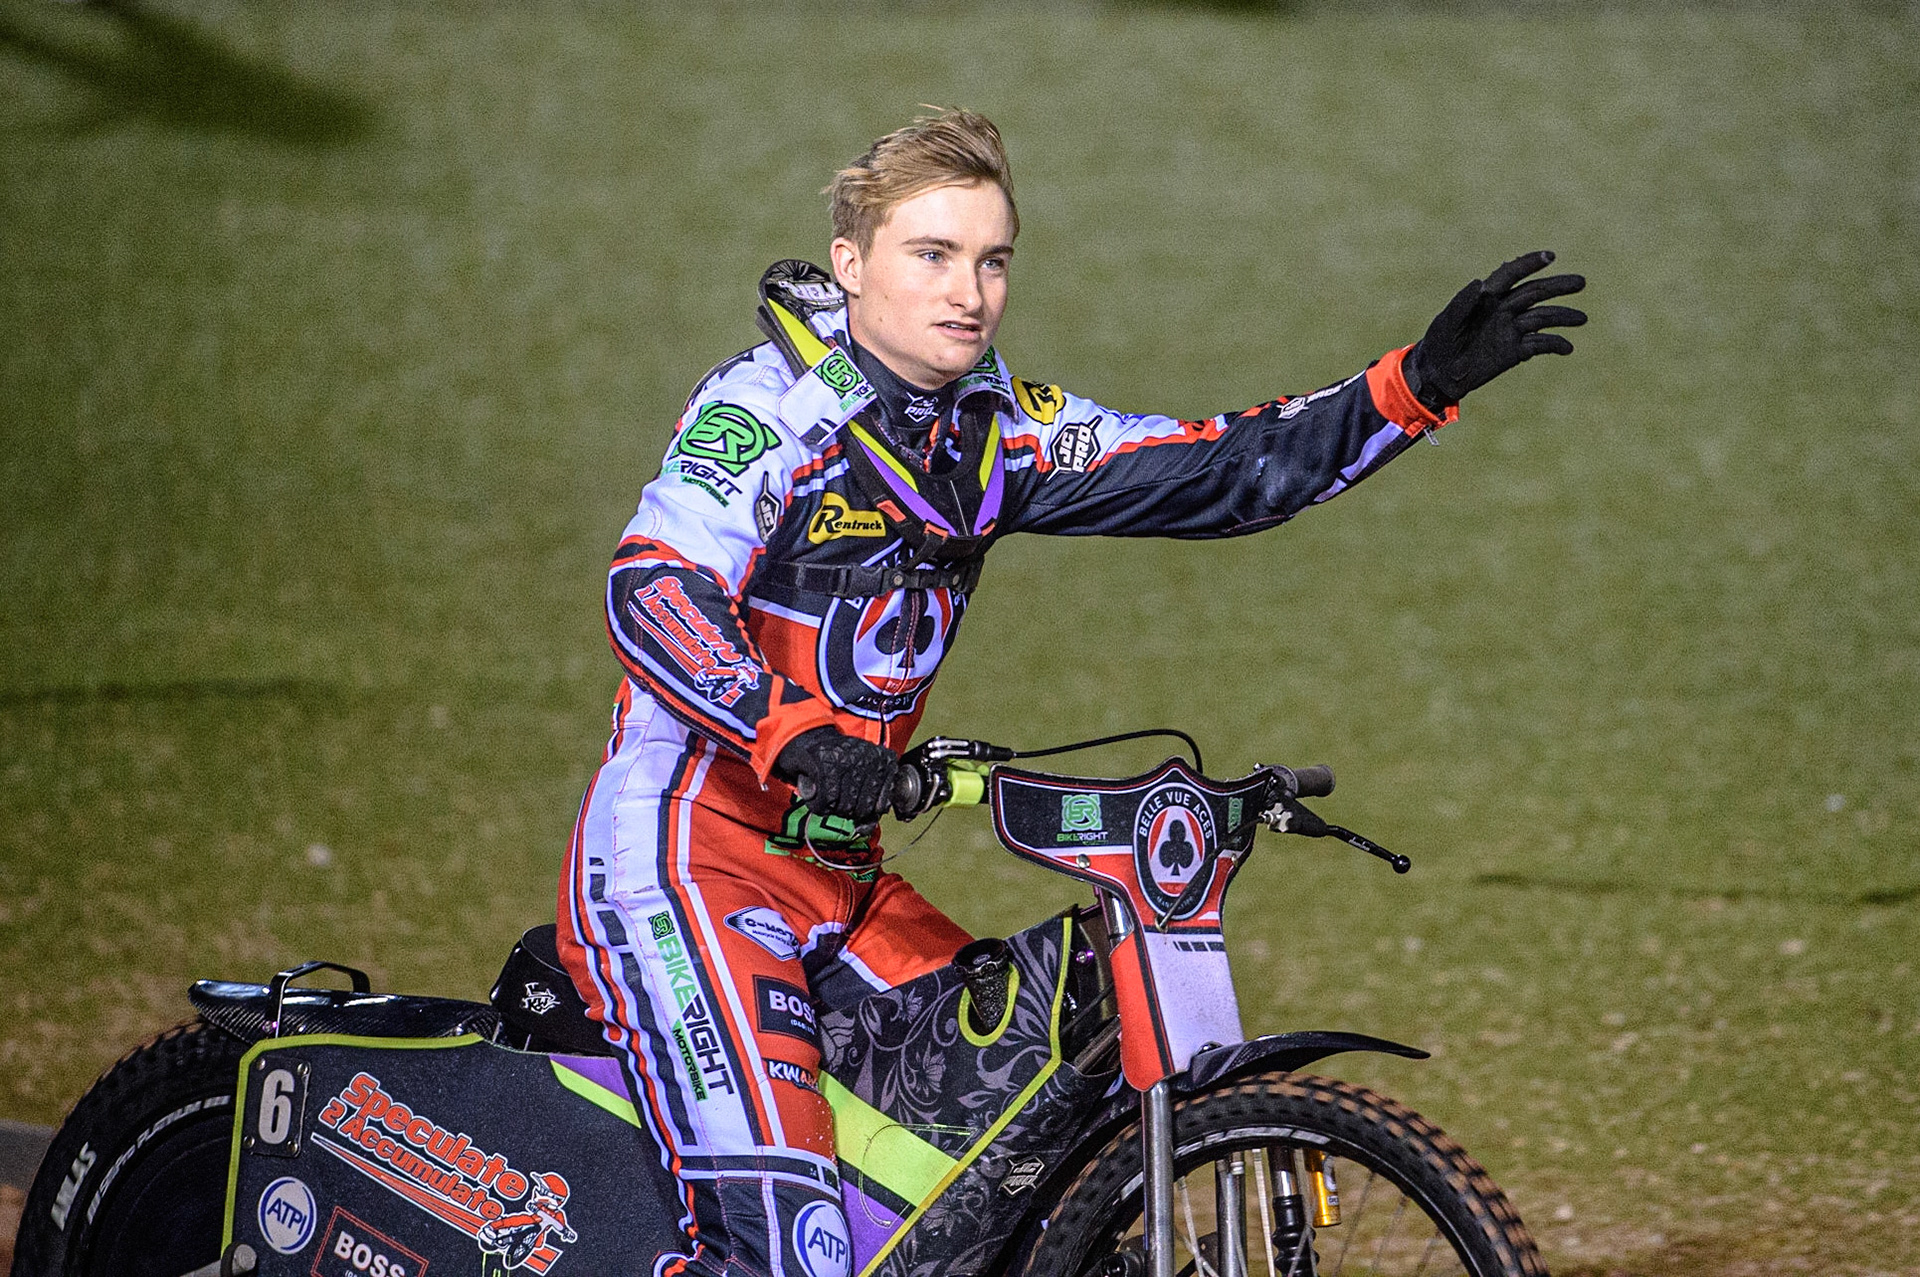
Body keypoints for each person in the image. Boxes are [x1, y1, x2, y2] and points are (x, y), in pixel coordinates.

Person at [556, 107, 1584, 1277]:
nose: (970, 293)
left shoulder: (997, 434)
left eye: (992, 260)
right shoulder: (766, 410)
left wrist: (1412, 384)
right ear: (851, 264)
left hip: (838, 877)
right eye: (932, 255)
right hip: (683, 859)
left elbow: (1221, 468)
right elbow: (654, 586)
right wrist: (789, 735)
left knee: (1013, 1156)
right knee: (794, 1250)